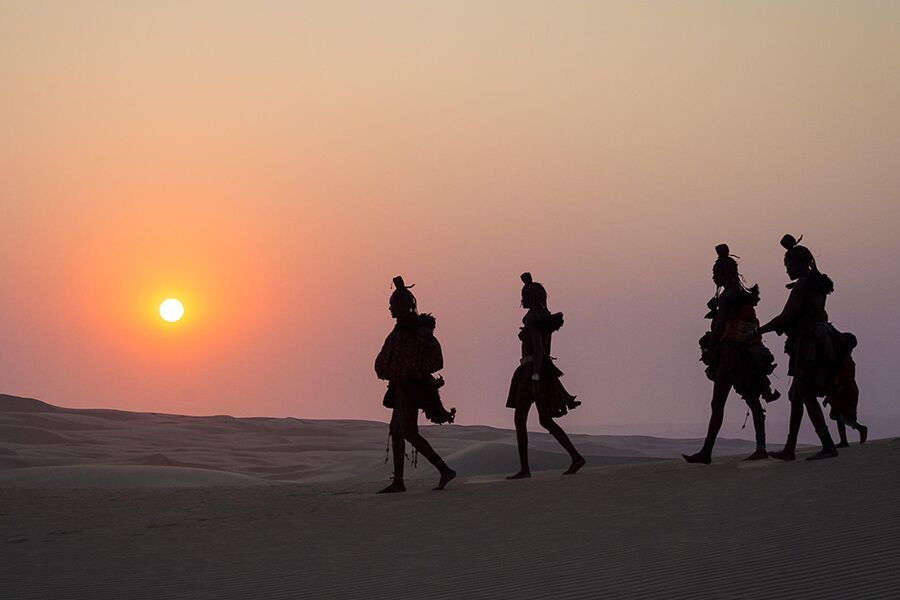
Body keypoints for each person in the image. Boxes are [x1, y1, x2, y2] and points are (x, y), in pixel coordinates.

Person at [684, 244, 780, 464]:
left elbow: (719, 327)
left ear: (723, 273)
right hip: (741, 353)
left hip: (731, 355)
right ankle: (752, 447)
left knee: (723, 402)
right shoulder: (740, 294)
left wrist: (709, 347)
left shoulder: (728, 296)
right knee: (748, 400)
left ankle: (711, 452)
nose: (713, 276)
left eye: (715, 272)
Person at [757, 235, 841, 461]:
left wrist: (759, 331)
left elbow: (787, 315)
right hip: (814, 339)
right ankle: (790, 448)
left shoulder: (804, 285)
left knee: (805, 392)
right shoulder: (816, 283)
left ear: (798, 263)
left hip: (808, 343)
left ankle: (827, 444)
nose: (786, 270)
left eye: (788, 265)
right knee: (796, 395)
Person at [374, 276, 456, 493]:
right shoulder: (400, 330)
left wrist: (415, 372)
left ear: (402, 306)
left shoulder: (419, 333)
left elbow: (436, 360)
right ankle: (399, 480)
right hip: (400, 386)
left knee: (408, 431)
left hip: (411, 388)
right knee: (396, 429)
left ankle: (444, 469)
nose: (390, 308)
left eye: (393, 305)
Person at [506, 273, 584, 479]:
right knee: (545, 420)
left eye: (524, 295)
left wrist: (535, 378)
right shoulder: (543, 318)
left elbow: (539, 350)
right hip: (538, 371)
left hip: (531, 371)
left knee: (520, 419)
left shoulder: (533, 319)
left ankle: (525, 469)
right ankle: (576, 457)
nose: (522, 299)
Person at [824, 332, 868, 447]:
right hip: (843, 389)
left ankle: (860, 428)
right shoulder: (843, 359)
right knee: (838, 415)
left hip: (845, 390)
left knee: (843, 415)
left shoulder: (846, 360)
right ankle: (844, 440)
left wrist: (837, 389)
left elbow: (844, 377)